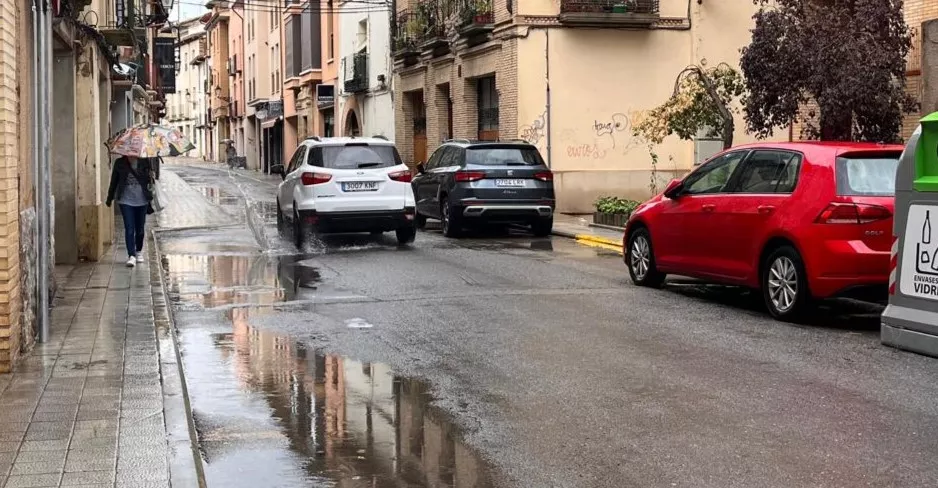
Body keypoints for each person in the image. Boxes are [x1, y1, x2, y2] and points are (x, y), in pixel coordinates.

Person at [105, 155, 154, 267]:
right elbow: (114, 181)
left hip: (142, 200)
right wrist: (109, 198)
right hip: (125, 200)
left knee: (140, 229)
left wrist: (151, 176)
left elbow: (149, 182)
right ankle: (131, 255)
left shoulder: (144, 161)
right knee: (129, 228)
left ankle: (138, 251)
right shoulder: (119, 162)